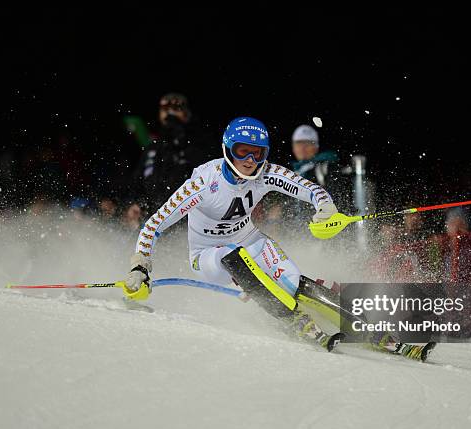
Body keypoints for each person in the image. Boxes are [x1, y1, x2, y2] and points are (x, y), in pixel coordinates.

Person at [122, 117, 432, 360]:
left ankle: (373, 332)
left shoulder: (266, 172)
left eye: (258, 153)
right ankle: (290, 318)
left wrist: (325, 207)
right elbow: (155, 224)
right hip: (207, 255)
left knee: (295, 281)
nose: (250, 160)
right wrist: (140, 264)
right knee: (233, 257)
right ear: (227, 149)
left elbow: (309, 187)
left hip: (250, 239)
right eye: (242, 151)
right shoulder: (204, 183)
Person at [134, 93, 214, 208]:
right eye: (165, 109)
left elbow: (208, 177)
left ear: (187, 113)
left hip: (187, 213)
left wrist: (180, 137)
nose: (170, 113)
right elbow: (137, 180)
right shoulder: (153, 147)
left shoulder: (201, 142)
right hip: (152, 213)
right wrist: (135, 202)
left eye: (176, 108)